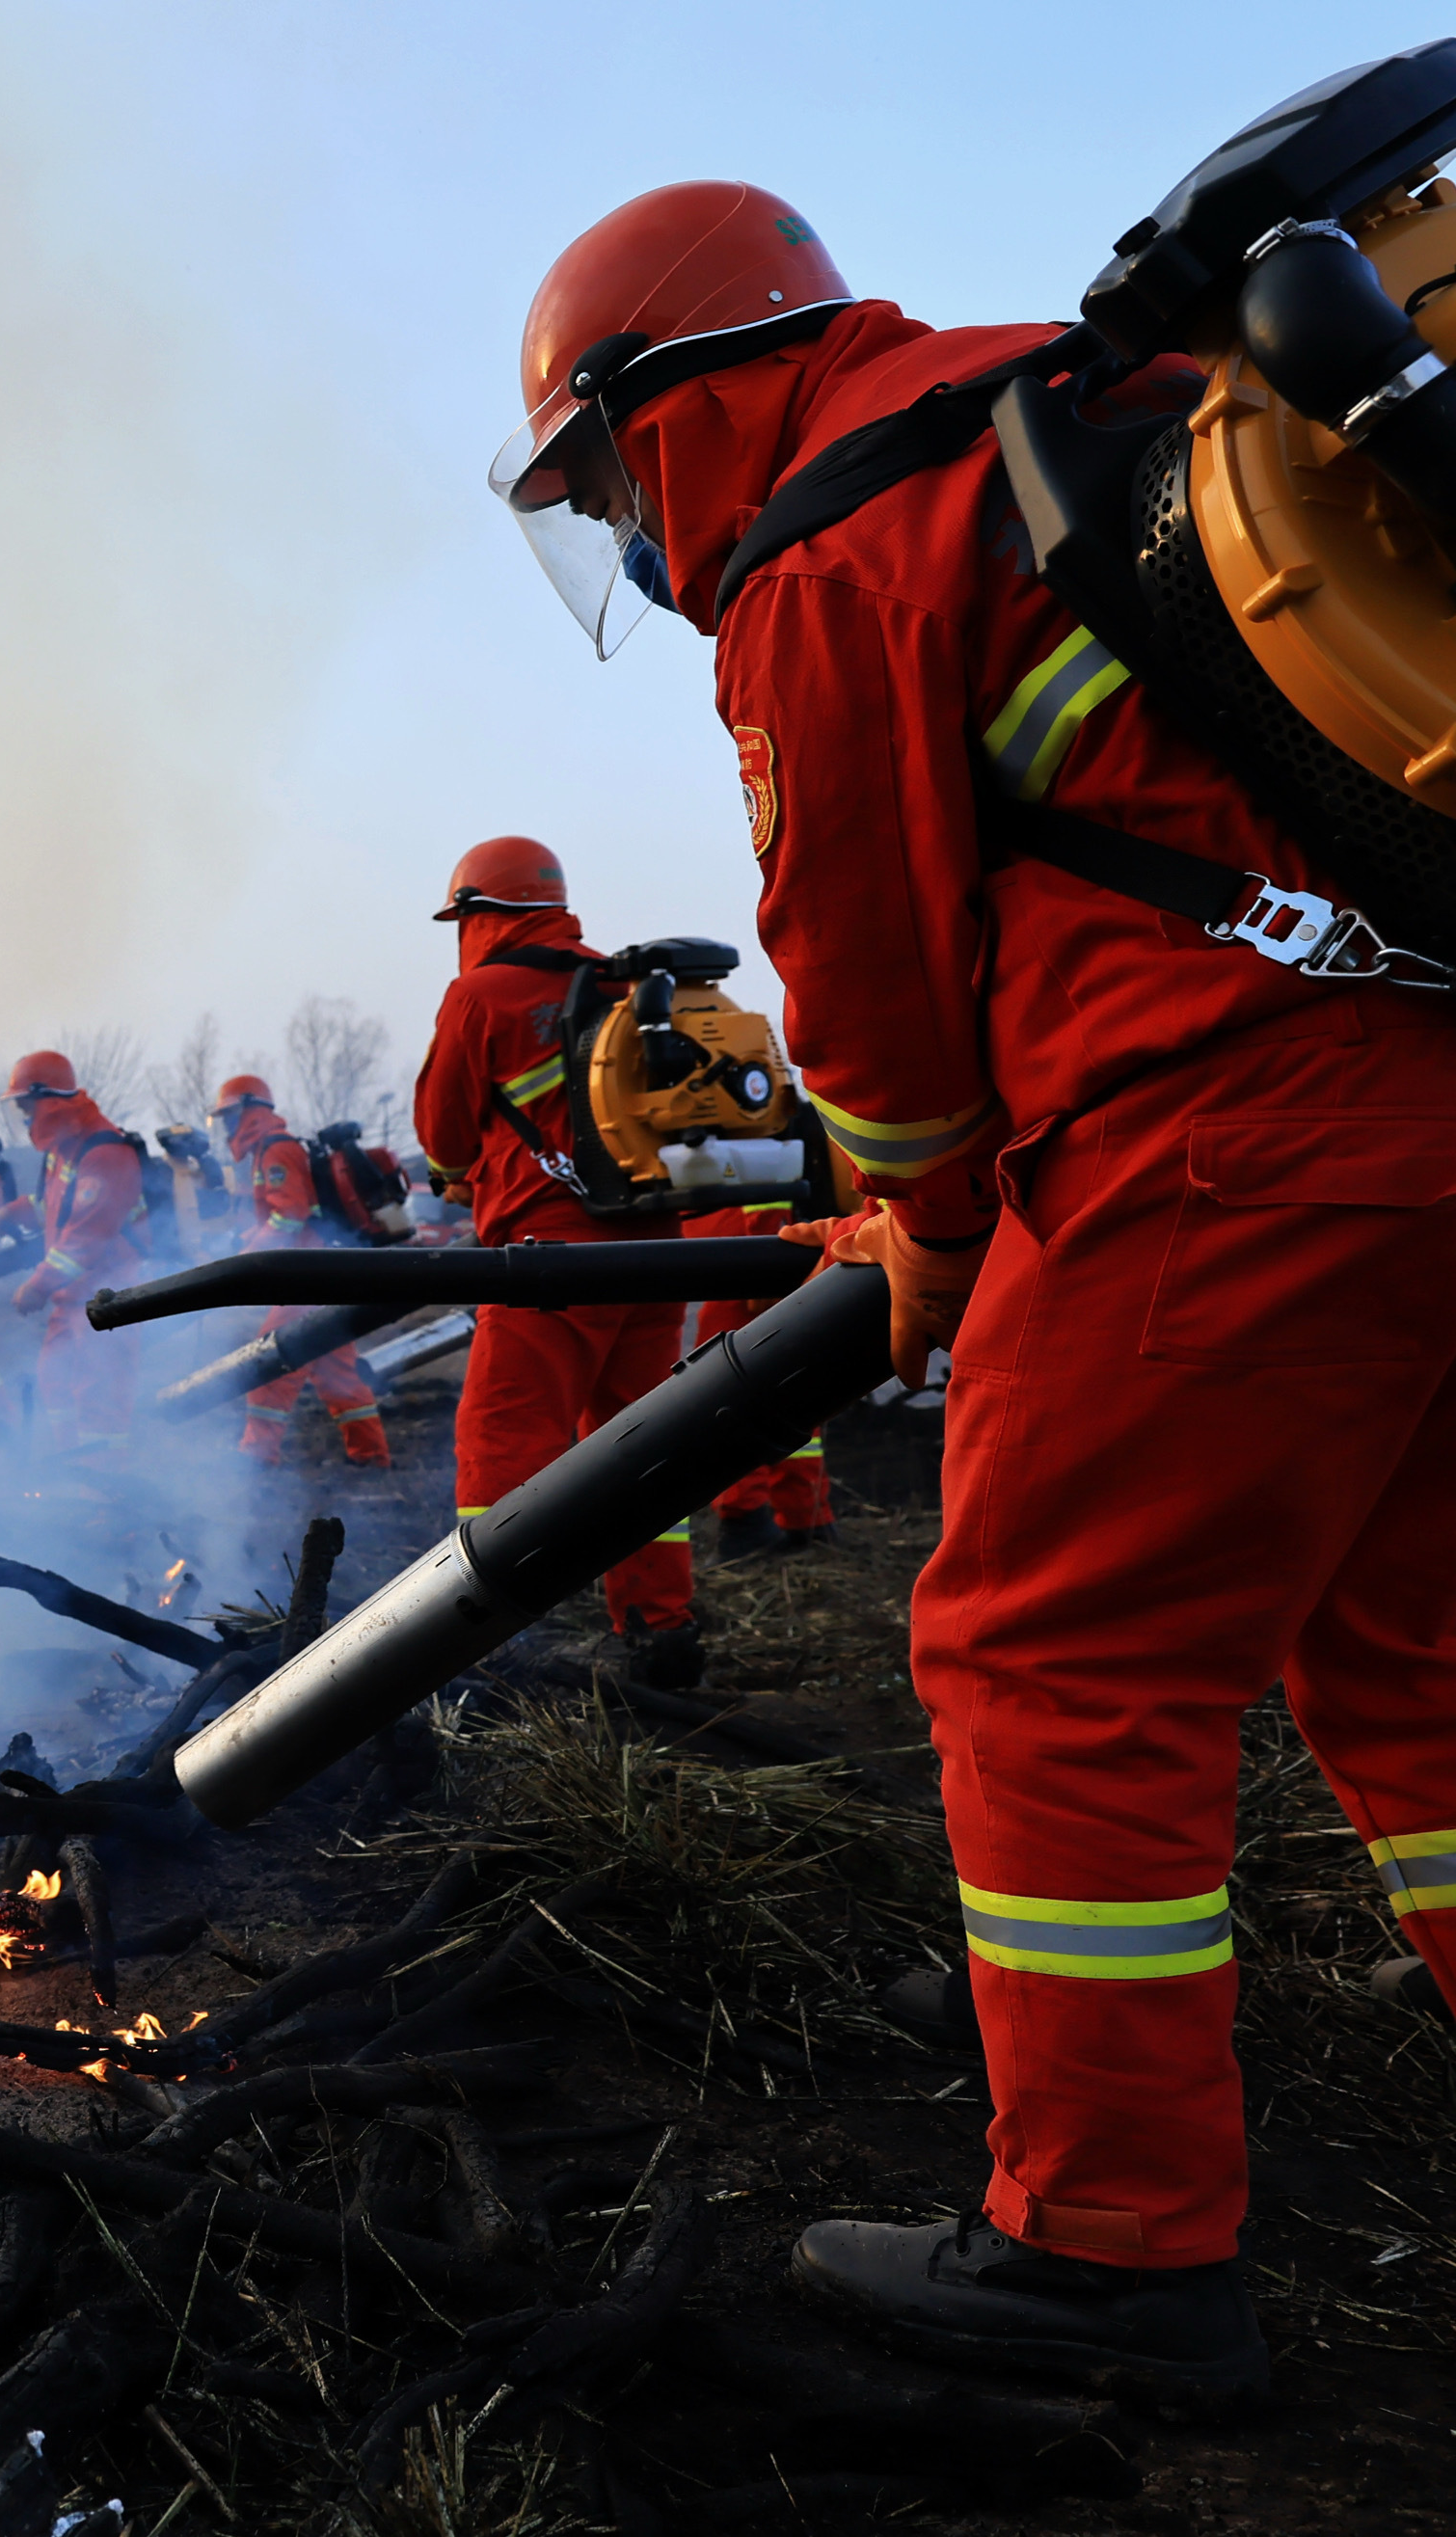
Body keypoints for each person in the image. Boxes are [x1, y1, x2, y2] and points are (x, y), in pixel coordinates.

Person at [494, 175, 1456, 2406]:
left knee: (1046, 1642)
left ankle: (1113, 2257)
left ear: (678, 394)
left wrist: (923, 1218)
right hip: (1409, 1092)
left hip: (1222, 1137)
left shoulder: (835, 534)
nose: (626, 533)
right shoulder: (1068, 404)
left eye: (602, 471)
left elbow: (866, 973)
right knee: (1409, 1644)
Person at [411, 835, 703, 1685]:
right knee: (645, 1443)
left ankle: (478, 1634)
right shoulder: (632, 984)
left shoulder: (481, 995)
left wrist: (472, 1174)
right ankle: (662, 1627)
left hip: (551, 1265)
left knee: (504, 1434)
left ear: (477, 916)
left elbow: (445, 1135)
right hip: (660, 1257)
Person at [210, 1075, 391, 1468]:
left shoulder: (276, 1150)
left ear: (247, 1110)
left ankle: (257, 1455)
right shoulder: (270, 1150)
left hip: (306, 1276)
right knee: (336, 1371)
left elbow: (290, 1215)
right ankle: (372, 1455)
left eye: (227, 1116)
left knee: (269, 1360)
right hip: (314, 1272)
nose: (224, 1126)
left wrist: (246, 1259)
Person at [0, 1050, 146, 1460]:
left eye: (26, 1107)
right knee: (55, 1381)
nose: (26, 1119)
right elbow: (54, 1205)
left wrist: (37, 1286)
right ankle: (73, 1467)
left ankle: (106, 1488)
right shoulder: (65, 1148)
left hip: (109, 1296)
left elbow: (86, 1238)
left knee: (98, 1394)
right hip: (73, 1294)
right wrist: (4, 1215)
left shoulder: (106, 1153)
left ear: (48, 1101)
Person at [684, 1198, 834, 1552]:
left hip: (737, 1234)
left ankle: (745, 1520)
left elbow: (756, 1149)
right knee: (788, 1381)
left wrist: (765, 1237)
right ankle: (805, 1517)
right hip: (746, 1228)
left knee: (722, 1387)